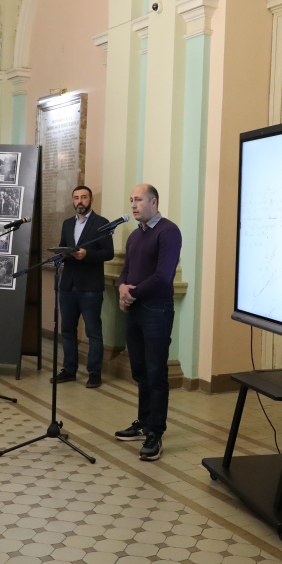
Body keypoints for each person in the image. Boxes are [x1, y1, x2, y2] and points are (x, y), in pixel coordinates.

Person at [114, 184, 182, 462]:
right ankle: (143, 422)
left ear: (153, 202)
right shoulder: (134, 235)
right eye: (131, 200)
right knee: (140, 370)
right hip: (135, 310)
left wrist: (132, 292)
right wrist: (121, 288)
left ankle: (156, 431)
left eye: (138, 200)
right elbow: (126, 270)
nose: (133, 205)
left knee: (156, 374)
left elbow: (163, 276)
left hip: (156, 310)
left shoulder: (168, 231)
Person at [50, 185, 115, 388]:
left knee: (93, 332)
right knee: (67, 330)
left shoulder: (101, 223)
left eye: (84, 197)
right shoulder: (67, 223)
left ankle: (94, 373)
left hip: (90, 287)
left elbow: (108, 253)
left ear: (91, 200)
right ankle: (69, 370)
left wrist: (87, 255)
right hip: (68, 284)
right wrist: (62, 254)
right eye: (76, 198)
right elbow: (63, 245)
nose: (80, 201)